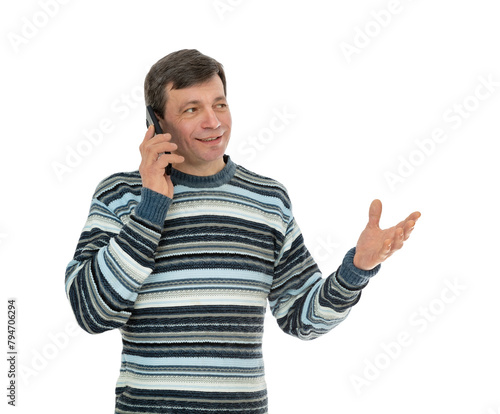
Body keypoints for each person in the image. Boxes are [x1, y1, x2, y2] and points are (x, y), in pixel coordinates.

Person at [65, 49, 420, 414]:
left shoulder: (268, 199)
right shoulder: (121, 195)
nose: (213, 122)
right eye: (191, 109)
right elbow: (91, 313)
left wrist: (356, 270)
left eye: (219, 105)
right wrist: (152, 205)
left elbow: (301, 318)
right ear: (156, 122)